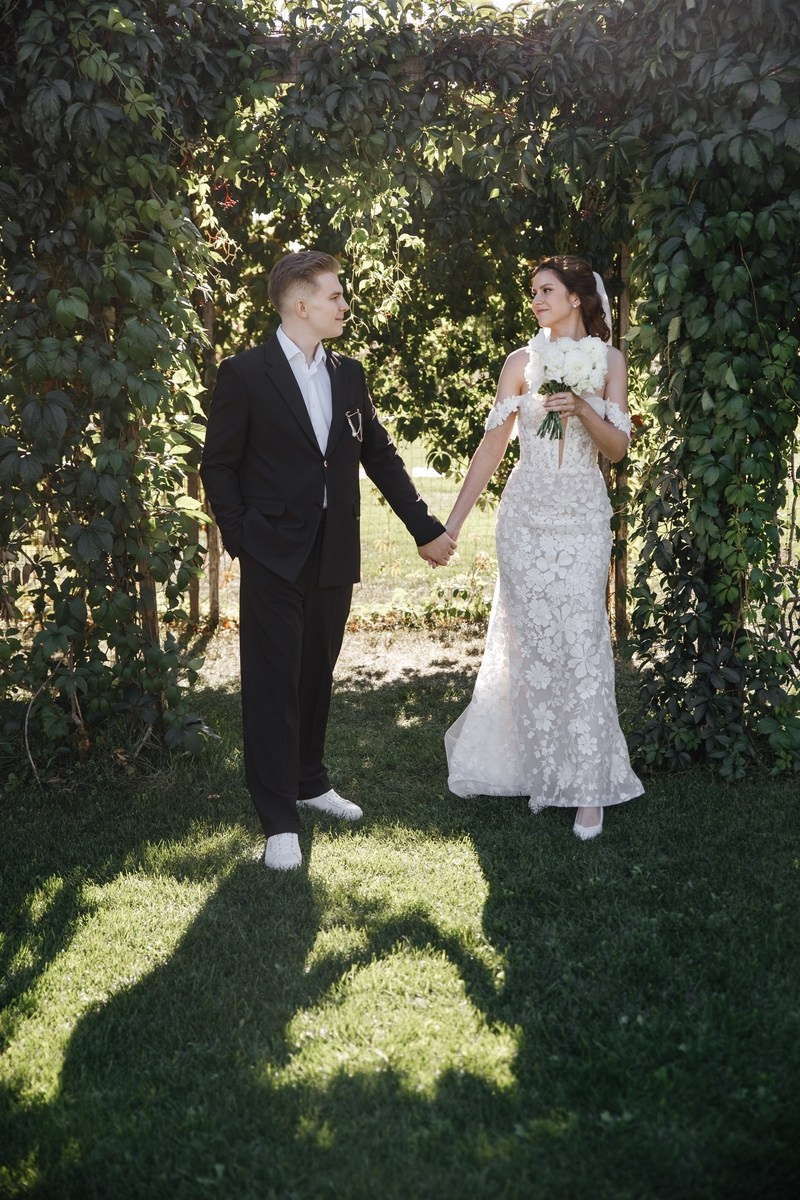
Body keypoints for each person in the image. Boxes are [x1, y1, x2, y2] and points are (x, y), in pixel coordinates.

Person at [200, 250, 456, 869]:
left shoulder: (349, 375)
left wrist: (425, 528)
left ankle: (310, 782)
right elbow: (218, 466)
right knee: (273, 684)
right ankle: (277, 820)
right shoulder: (244, 374)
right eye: (335, 295)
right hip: (272, 552)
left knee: (316, 673)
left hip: (335, 548)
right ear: (301, 304)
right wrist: (243, 538)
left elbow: (381, 455)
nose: (345, 305)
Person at [444, 255, 644, 839]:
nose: (536, 300)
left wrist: (582, 408)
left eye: (546, 290)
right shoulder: (520, 363)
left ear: (576, 298)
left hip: (582, 518)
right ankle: (538, 766)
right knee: (531, 644)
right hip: (525, 520)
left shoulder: (610, 361)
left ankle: (589, 786)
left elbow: (617, 450)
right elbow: (491, 448)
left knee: (582, 641)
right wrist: (451, 525)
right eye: (533, 291)